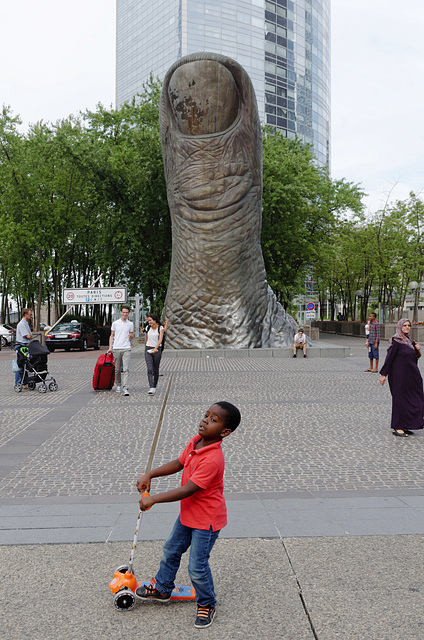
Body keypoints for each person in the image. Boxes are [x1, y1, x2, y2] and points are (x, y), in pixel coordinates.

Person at [135, 401, 241, 629]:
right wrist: (151, 474)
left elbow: (188, 490)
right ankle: (163, 588)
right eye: (206, 415)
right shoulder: (196, 442)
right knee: (171, 550)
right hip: (188, 515)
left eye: (213, 420)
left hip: (207, 521)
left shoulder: (213, 459)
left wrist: (153, 498)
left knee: (197, 566)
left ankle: (207, 602)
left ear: (224, 432)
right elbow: (179, 463)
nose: (205, 420)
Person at [380, 319, 424, 437]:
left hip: (412, 376)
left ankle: (406, 425)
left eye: (409, 325)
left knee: (415, 399)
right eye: (404, 325)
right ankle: (398, 427)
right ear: (399, 326)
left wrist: (418, 350)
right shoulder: (396, 341)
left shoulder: (409, 341)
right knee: (400, 400)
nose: (407, 327)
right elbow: (389, 359)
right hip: (398, 376)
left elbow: (413, 359)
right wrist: (384, 375)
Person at [108, 305, 134, 396]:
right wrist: (110, 347)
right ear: (121, 312)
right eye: (123, 312)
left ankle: (125, 388)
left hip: (126, 348)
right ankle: (118, 385)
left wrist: (131, 336)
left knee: (126, 369)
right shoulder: (115, 323)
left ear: (128, 313)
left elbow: (131, 334)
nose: (125, 314)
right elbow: (112, 335)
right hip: (116, 348)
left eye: (126, 312)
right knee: (117, 369)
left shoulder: (130, 324)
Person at [145, 313, 164, 395]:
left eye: (150, 320)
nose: (149, 322)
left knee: (156, 368)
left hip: (157, 349)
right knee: (149, 368)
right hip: (148, 348)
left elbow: (160, 339)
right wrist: (145, 348)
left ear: (155, 320)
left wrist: (156, 348)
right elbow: (146, 338)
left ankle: (155, 385)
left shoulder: (160, 328)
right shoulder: (148, 327)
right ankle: (151, 387)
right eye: (148, 320)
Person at [14, 308, 33, 385]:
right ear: (25, 315)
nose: (31, 316)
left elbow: (30, 335)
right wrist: (29, 336)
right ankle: (18, 382)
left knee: (25, 364)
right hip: (21, 346)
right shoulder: (21, 324)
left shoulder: (26, 323)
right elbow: (27, 336)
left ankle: (25, 381)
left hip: (25, 345)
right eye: (30, 314)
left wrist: (30, 335)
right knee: (20, 363)